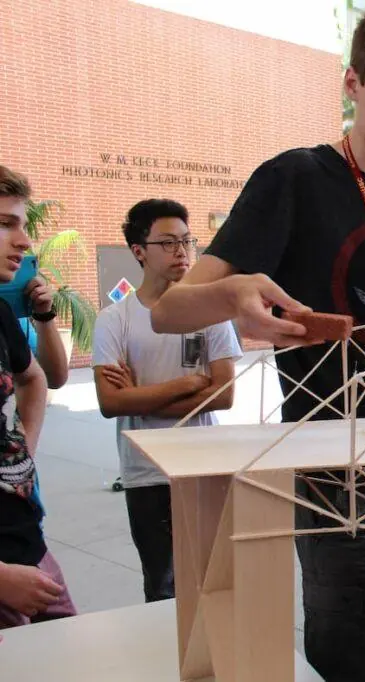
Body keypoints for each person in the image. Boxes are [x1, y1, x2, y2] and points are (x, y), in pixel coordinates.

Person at [148, 8, 365, 681]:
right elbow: (168, 312)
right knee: (353, 649)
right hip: (327, 458)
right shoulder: (295, 179)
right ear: (352, 83)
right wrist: (231, 294)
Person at [91, 199, 242, 603]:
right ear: (138, 251)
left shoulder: (210, 311)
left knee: (213, 582)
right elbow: (110, 402)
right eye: (168, 242)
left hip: (202, 467)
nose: (181, 251)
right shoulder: (115, 319)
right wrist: (191, 383)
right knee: (162, 587)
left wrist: (138, 397)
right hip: (147, 472)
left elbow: (224, 395)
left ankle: (213, 663)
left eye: (187, 241)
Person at [0, 165, 76, 628]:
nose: (26, 241)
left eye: (23, 224)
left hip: (27, 540)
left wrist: (21, 452)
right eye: (6, 223)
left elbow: (42, 378)